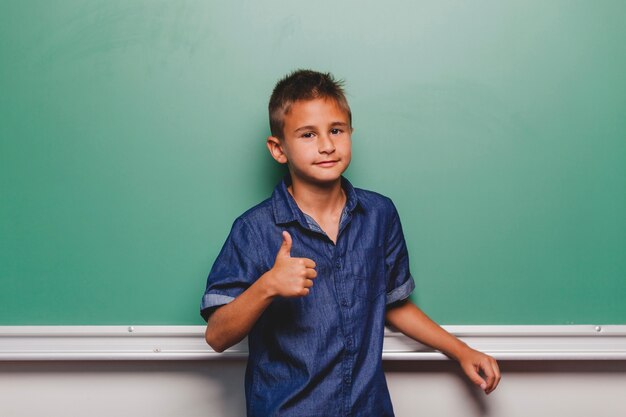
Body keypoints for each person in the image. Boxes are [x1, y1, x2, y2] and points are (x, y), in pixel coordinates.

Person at [200, 69, 501, 417]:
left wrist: (461, 351)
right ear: (278, 149)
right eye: (308, 134)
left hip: (367, 408)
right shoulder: (254, 229)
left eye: (336, 130)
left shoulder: (379, 215)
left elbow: (394, 303)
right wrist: (268, 285)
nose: (327, 145)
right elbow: (217, 336)